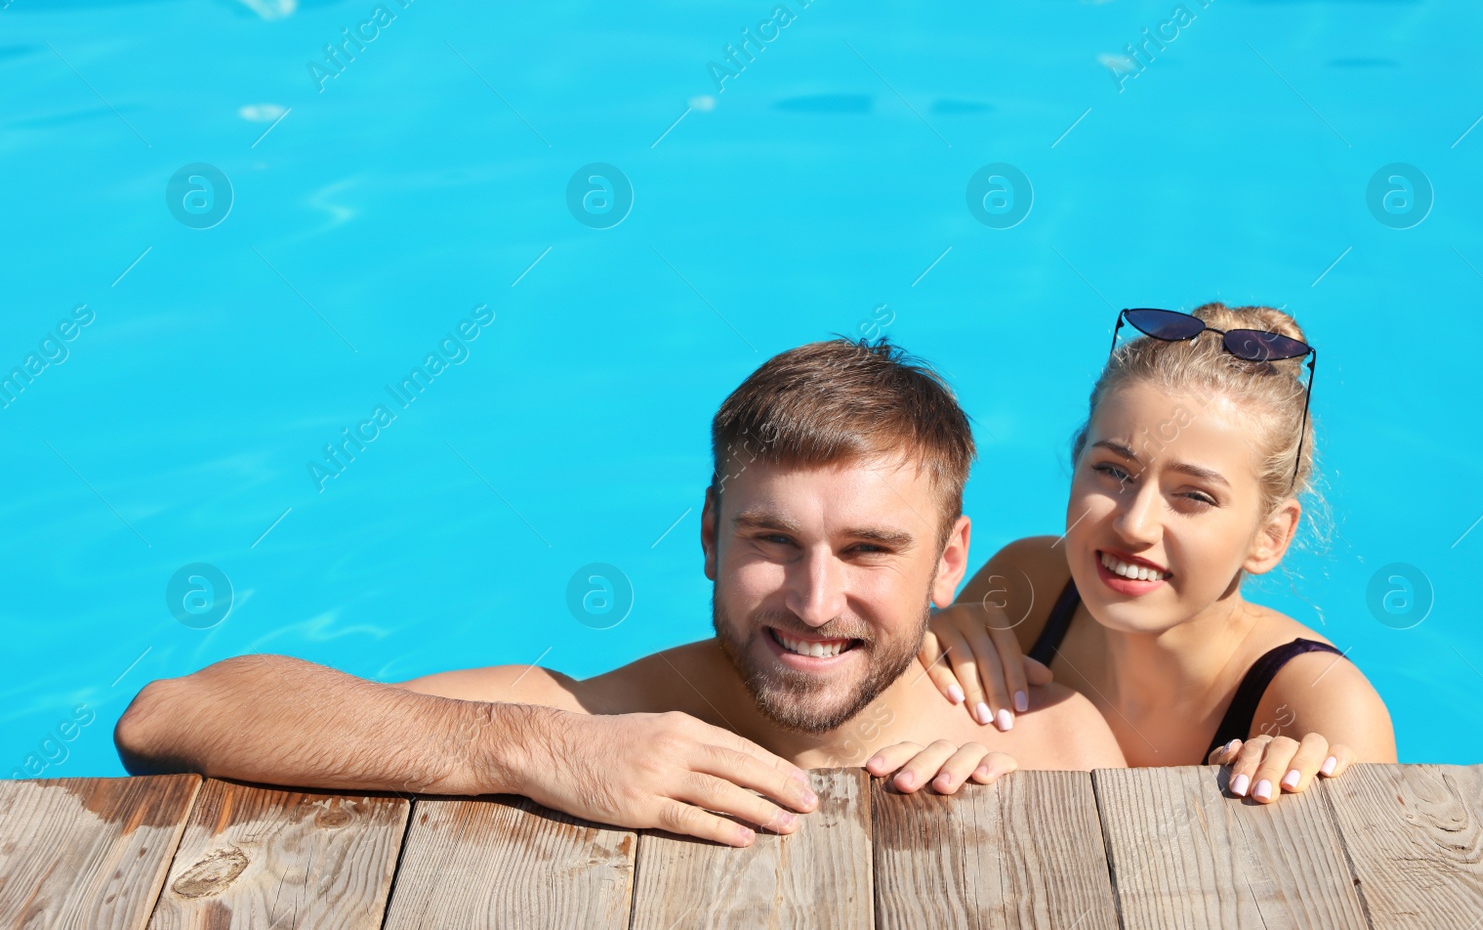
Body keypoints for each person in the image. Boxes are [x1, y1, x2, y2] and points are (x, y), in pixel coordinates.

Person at [117, 338, 1124, 848]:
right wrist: (538, 746)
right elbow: (170, 716)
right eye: (772, 541)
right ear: (706, 536)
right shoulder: (610, 717)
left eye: (868, 550)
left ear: (949, 562)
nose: (815, 600)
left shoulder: (1045, 740)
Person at [918, 304, 1396, 803]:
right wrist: (922, 653)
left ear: (1269, 537)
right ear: (1078, 459)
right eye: (1113, 471)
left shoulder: (1322, 708)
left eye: (1194, 496)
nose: (1134, 524)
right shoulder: (1026, 587)